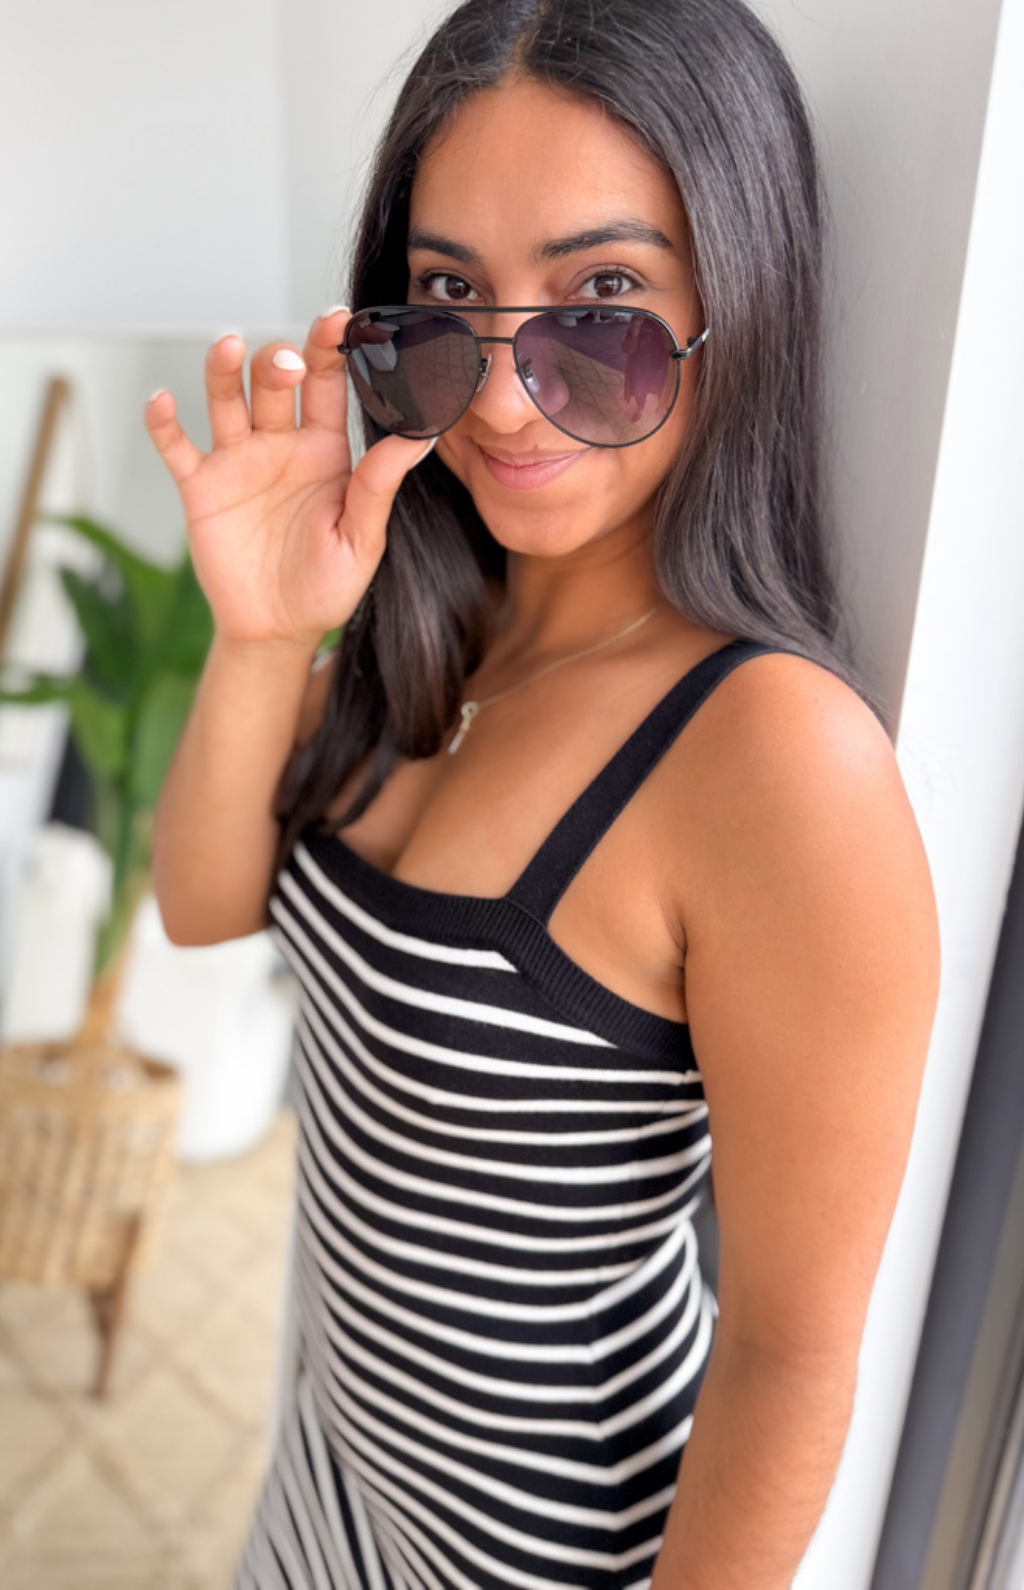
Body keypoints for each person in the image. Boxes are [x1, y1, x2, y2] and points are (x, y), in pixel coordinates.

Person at [145, 0, 941, 1585]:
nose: (504, 400)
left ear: (738, 300)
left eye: (604, 304)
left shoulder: (776, 758)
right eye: (451, 298)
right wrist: (264, 636)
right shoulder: (433, 613)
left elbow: (790, 1352)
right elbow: (202, 904)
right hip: (327, 1487)